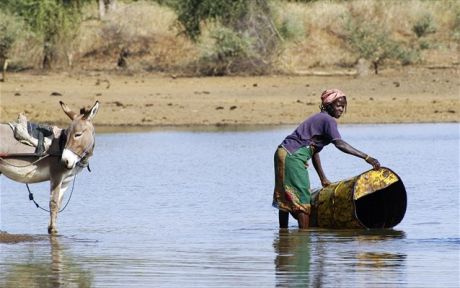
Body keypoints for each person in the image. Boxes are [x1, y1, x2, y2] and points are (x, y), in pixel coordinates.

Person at [272, 88, 380, 229]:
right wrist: (366, 157)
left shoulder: (319, 118)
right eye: (338, 105)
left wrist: (322, 177)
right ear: (328, 105)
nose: (341, 109)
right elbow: (339, 143)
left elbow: (314, 151)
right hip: (294, 156)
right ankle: (304, 240)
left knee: (286, 197)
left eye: (343, 106)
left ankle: (283, 238)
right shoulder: (327, 120)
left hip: (283, 153)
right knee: (303, 201)